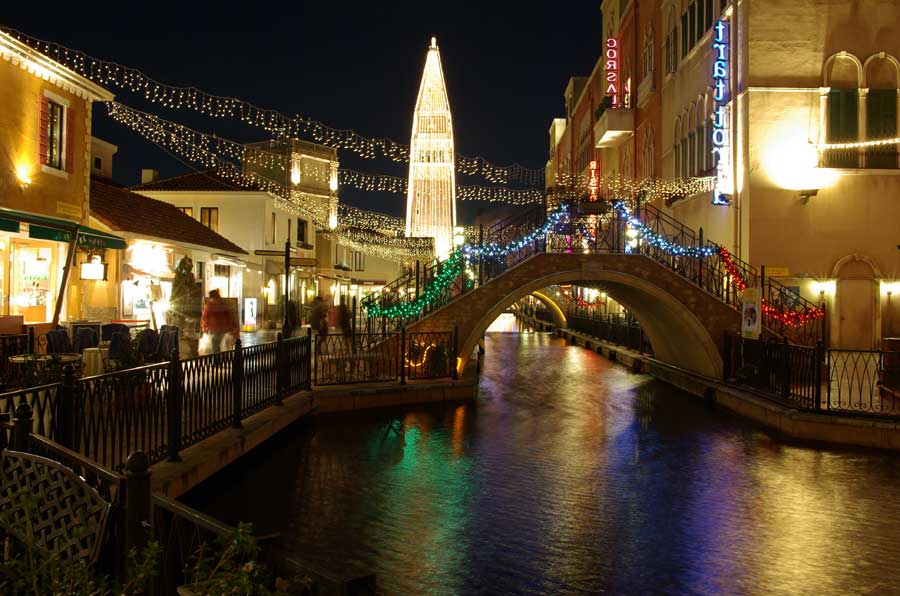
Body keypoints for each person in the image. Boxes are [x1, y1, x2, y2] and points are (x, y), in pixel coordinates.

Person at [201, 289, 238, 354]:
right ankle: (221, 357)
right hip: (224, 328)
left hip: (213, 328)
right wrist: (232, 326)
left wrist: (204, 327)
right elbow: (229, 316)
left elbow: (205, 317)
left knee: (215, 344)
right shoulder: (223, 304)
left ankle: (217, 360)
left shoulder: (209, 305)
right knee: (222, 344)